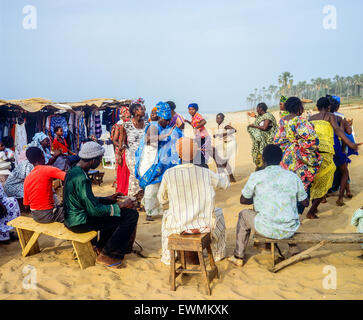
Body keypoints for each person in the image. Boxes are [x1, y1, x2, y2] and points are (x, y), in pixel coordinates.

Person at [228, 144, 309, 267]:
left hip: (266, 228)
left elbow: (243, 200)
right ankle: (293, 249)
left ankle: (238, 256)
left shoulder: (256, 176)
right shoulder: (293, 176)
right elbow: (305, 202)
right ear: (281, 159)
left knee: (243, 215)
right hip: (289, 228)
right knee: (286, 210)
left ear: (264, 159)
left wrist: (259, 198)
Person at [63, 141, 139, 269]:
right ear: (93, 161)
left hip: (71, 219)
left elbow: (85, 200)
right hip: (79, 222)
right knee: (131, 215)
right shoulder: (82, 178)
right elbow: (94, 210)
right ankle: (108, 255)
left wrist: (107, 199)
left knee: (112, 213)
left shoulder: (73, 171)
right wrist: (121, 206)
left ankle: (101, 246)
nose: (101, 161)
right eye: (100, 159)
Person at [158, 137, 229, 265]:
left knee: (166, 215)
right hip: (204, 226)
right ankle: (218, 254)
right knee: (219, 213)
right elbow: (225, 184)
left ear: (179, 154)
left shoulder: (169, 174)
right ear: (195, 153)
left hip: (178, 226)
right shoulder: (205, 172)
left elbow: (162, 199)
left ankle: (168, 257)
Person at [307, 97, 359, 219]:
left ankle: (314, 207)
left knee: (316, 178)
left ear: (317, 107)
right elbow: (337, 130)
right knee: (327, 179)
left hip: (313, 152)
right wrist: (350, 143)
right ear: (329, 107)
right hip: (327, 151)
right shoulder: (331, 116)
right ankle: (312, 211)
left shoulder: (311, 118)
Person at [274, 97, 321, 213]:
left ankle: (288, 210)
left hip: (286, 158)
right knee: (302, 184)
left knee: (288, 185)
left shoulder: (282, 120)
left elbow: (277, 141)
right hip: (301, 158)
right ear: (299, 107)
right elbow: (312, 140)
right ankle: (297, 212)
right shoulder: (301, 120)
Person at [135, 102, 181, 221]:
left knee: (155, 186)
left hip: (155, 160)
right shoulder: (154, 126)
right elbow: (149, 140)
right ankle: (150, 212)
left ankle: (149, 207)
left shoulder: (161, 127)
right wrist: (166, 135)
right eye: (166, 120)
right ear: (161, 118)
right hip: (149, 161)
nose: (167, 122)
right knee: (152, 187)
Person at [23, 147, 66, 223]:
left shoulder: (27, 178)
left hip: (36, 216)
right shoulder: (48, 169)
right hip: (48, 215)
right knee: (73, 211)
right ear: (42, 156)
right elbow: (68, 177)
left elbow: (26, 205)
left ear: (30, 162)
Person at [327, 95, 356, 205]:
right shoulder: (340, 117)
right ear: (337, 107)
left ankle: (324, 195)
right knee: (344, 170)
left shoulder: (322, 117)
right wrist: (348, 124)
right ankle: (345, 193)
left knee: (327, 171)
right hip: (340, 147)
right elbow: (347, 132)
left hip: (327, 147)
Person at [119, 103, 146, 206]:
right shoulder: (126, 125)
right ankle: (132, 200)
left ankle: (141, 200)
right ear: (135, 111)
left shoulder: (147, 124)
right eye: (141, 109)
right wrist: (119, 155)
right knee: (134, 175)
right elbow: (122, 141)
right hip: (131, 154)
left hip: (144, 155)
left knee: (143, 175)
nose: (143, 111)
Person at [247, 102, 277, 170]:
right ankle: (261, 167)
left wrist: (254, 126)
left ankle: (264, 167)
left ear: (260, 108)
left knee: (266, 155)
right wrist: (253, 116)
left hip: (268, 139)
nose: (256, 110)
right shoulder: (261, 117)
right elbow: (260, 119)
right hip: (262, 140)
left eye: (257, 108)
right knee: (259, 155)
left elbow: (264, 127)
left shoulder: (268, 116)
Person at [111, 106, 131, 195]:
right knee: (121, 168)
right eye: (126, 116)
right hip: (120, 149)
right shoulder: (118, 126)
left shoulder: (130, 125)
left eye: (128, 116)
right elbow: (114, 140)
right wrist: (120, 147)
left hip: (126, 149)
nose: (127, 118)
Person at [184, 103, 211, 168]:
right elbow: (194, 125)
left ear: (196, 109)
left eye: (192, 109)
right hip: (199, 138)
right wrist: (187, 121)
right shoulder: (193, 117)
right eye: (189, 109)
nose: (190, 111)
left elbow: (204, 121)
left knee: (202, 155)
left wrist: (197, 127)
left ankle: (205, 168)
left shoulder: (197, 115)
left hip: (204, 138)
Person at [213, 113, 238, 183]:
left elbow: (234, 130)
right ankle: (230, 177)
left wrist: (220, 134)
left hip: (230, 144)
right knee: (223, 161)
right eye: (216, 118)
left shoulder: (225, 125)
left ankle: (230, 177)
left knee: (224, 161)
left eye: (219, 118)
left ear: (222, 119)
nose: (217, 120)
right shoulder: (219, 125)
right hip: (225, 144)